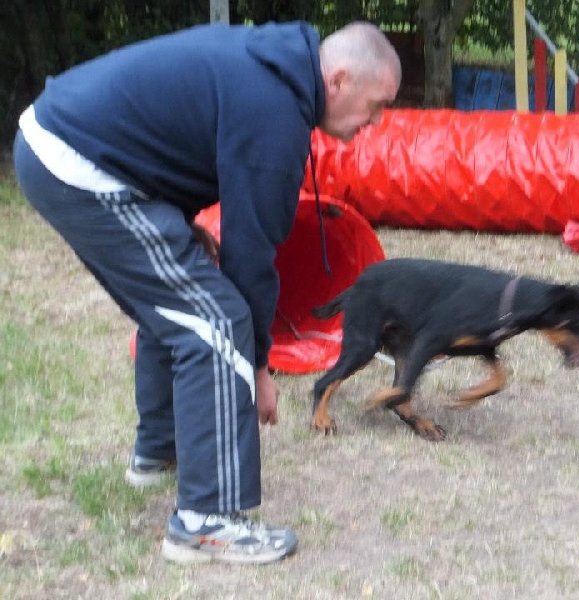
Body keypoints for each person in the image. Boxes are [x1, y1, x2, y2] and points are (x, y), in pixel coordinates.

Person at [13, 20, 401, 565]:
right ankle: (206, 521)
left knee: (181, 301)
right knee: (216, 318)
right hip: (78, 160)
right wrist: (259, 368)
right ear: (337, 80)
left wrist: (183, 228)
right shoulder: (274, 110)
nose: (377, 122)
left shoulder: (272, 71)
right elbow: (251, 251)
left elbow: (179, 139)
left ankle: (159, 452)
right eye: (376, 105)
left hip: (68, 145)